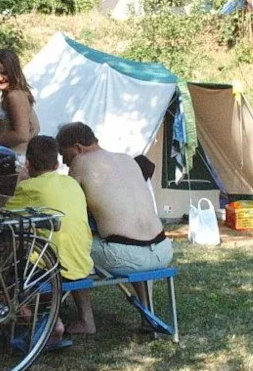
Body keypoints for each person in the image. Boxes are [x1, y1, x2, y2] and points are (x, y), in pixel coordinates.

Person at [55, 122, 173, 335]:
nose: (64, 161)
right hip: (162, 250)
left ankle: (86, 321)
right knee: (133, 241)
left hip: (126, 256)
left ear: (79, 148)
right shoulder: (128, 159)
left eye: (65, 155)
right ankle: (147, 312)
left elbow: (69, 206)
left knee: (71, 244)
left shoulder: (80, 162)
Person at [5, 135, 93, 348]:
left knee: (2, 270)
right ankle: (86, 320)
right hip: (81, 263)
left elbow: (2, 217)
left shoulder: (29, 188)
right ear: (57, 164)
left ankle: (49, 323)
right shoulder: (72, 184)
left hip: (51, 268)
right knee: (58, 246)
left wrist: (18, 182)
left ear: (27, 164)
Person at [0, 49, 39, 158]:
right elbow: (35, 127)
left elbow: (21, 135)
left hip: (10, 160)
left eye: (4, 73)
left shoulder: (14, 96)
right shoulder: (18, 93)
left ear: (13, 72)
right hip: (12, 158)